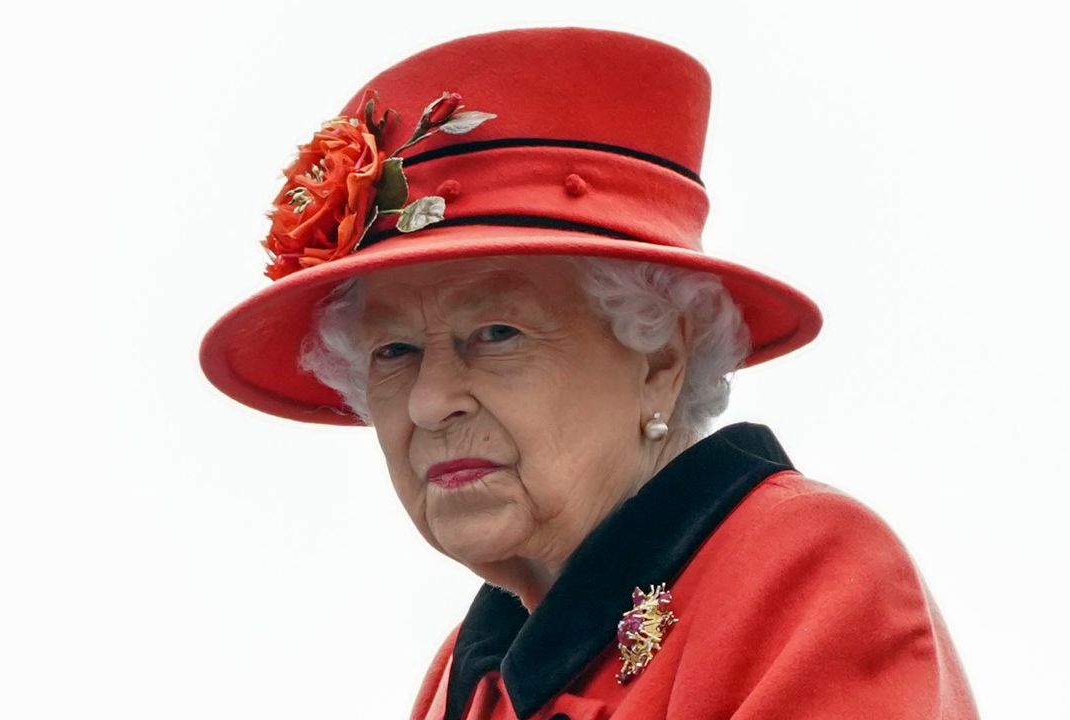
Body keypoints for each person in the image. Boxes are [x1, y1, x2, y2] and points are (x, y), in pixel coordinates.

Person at [199, 26, 980, 720]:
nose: (432, 402)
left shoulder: (801, 574)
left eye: (494, 333)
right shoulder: (469, 674)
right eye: (392, 352)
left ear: (660, 359)